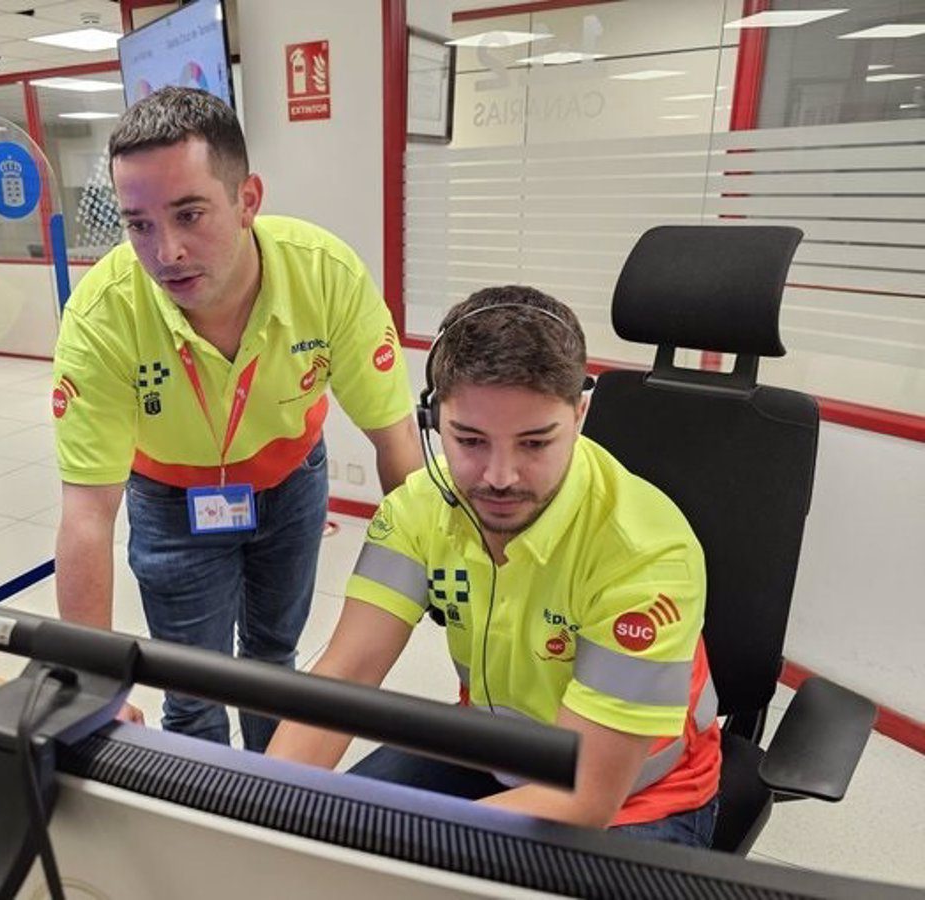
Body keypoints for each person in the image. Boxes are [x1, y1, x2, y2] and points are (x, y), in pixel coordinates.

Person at [266, 286, 722, 847]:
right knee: (318, 848)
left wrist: (396, 847)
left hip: (640, 800)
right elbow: (345, 676)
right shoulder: (418, 507)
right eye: (470, 440)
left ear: (579, 413)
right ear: (433, 420)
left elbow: (586, 798)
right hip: (488, 752)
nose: (499, 476)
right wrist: (267, 808)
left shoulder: (646, 554)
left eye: (534, 443)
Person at [51, 87, 421, 751]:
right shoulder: (101, 315)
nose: (166, 252)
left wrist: (446, 576)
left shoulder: (325, 275)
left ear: (248, 199)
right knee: (193, 688)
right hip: (171, 500)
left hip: (290, 484)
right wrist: (89, 682)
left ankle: (271, 802)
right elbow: (86, 515)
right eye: (139, 225)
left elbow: (396, 444)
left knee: (273, 665)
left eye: (190, 214)